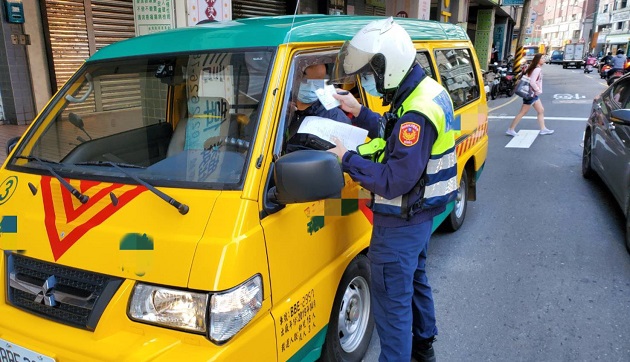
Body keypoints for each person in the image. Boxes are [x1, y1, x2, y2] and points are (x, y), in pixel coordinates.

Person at [328, 17, 458, 362]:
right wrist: (359, 112)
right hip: (421, 217)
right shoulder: (425, 91)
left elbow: (394, 180)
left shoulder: (416, 112)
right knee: (415, 281)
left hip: (400, 221)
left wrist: (346, 158)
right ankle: (424, 345)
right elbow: (393, 131)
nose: (370, 80)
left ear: (390, 65)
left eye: (372, 71)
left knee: (392, 306)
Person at [285, 63, 351, 151]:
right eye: (307, 81)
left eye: (318, 82)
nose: (312, 86)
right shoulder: (278, 106)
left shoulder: (337, 119)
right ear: (295, 79)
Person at [506, 53, 554, 136]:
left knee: (541, 110)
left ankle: (543, 129)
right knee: (522, 112)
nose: (544, 59)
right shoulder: (537, 70)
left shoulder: (534, 68)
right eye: (542, 58)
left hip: (533, 94)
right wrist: (537, 90)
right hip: (532, 94)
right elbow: (532, 81)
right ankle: (510, 129)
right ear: (538, 60)